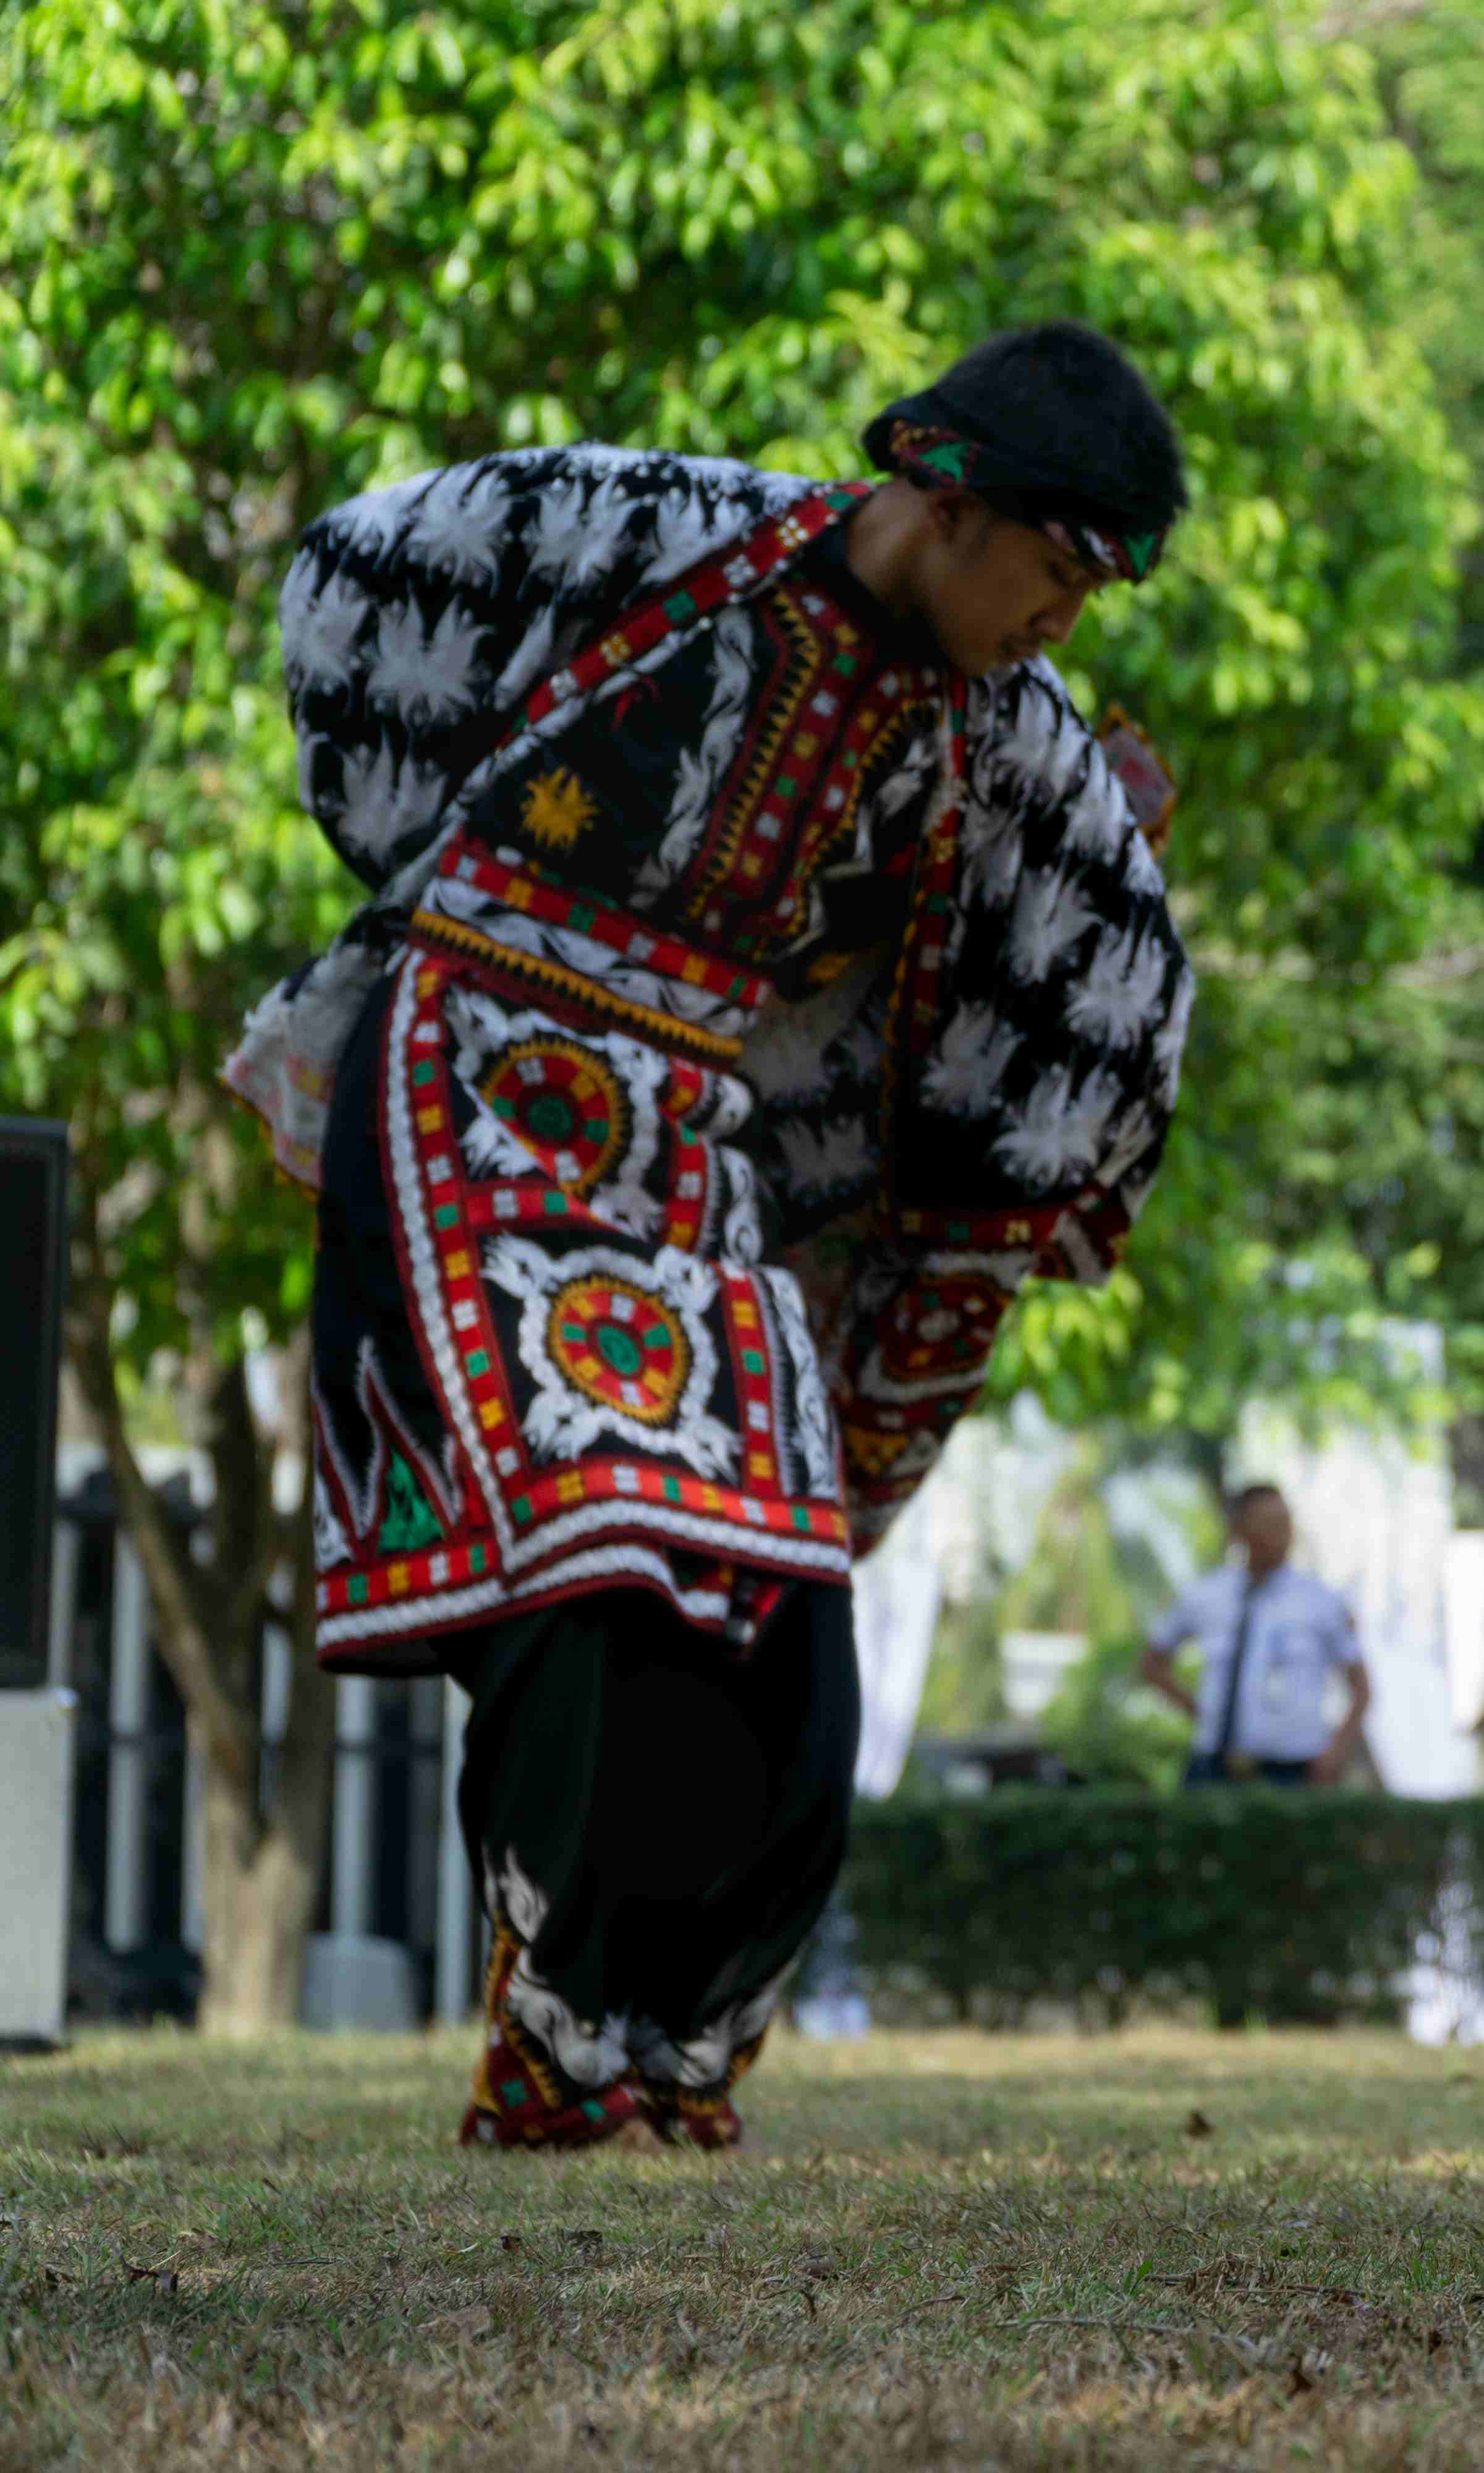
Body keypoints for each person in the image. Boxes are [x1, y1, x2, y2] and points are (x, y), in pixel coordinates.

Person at [221, 321, 1196, 2152]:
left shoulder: (993, 733)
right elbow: (367, 580)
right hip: (475, 1078)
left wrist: (1117, 838)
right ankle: (551, 2028)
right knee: (603, 1563)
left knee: (783, 1612)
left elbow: (1085, 951)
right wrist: (415, 866)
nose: (1062, 620)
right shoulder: (663, 534)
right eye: (1056, 573)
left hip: (686, 1146)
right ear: (945, 486)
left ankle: (666, 2043)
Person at [1143, 1481, 1372, 1787]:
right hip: (1214, 1767)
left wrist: (1337, 1751)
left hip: (1294, 1771)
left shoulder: (1321, 1601)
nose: (1282, 1532)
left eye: (1285, 1522)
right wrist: (1201, 1712)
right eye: (1269, 1523)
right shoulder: (1207, 1594)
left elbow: (1362, 1689)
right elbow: (1152, 1663)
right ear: (1239, 1530)